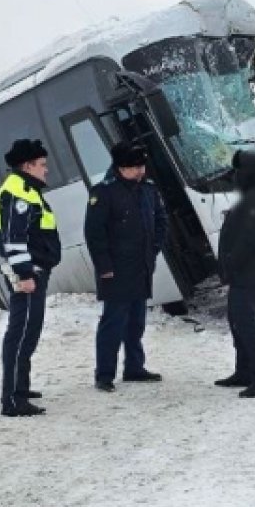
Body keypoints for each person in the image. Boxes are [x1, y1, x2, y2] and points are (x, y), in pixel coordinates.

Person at [83, 141, 168, 392]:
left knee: (137, 321)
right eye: (135, 167)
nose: (141, 171)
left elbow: (161, 220)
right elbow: (94, 233)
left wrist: (153, 250)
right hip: (116, 270)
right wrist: (104, 267)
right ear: (120, 168)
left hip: (141, 266)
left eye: (142, 166)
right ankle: (104, 374)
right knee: (113, 323)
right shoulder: (104, 192)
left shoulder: (148, 190)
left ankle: (134, 367)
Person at [0, 138, 61, 417]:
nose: (47, 170)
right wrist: (25, 273)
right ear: (28, 165)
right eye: (43, 165)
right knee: (21, 334)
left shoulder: (26, 189)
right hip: (28, 273)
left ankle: (21, 386)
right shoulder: (18, 192)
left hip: (33, 271)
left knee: (29, 332)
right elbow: (13, 240)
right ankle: (13, 399)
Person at [215, 150, 255, 398]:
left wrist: (232, 261)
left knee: (245, 323)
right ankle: (243, 371)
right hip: (244, 272)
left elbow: (250, 239)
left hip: (249, 273)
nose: (234, 179)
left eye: (237, 174)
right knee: (236, 321)